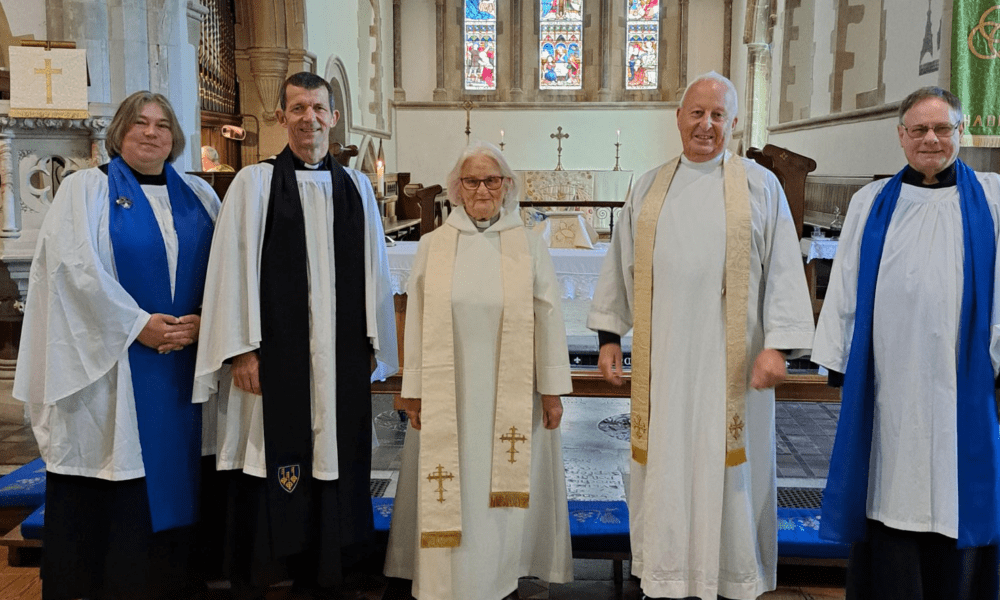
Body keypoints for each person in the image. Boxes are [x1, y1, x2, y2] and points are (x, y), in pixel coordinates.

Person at [587, 71, 814, 600]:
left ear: (733, 124)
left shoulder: (761, 186)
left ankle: (731, 577)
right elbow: (620, 266)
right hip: (662, 360)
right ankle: (665, 576)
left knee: (730, 470)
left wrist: (778, 346)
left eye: (718, 115)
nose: (706, 125)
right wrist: (608, 337)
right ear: (679, 118)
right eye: (697, 113)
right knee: (665, 467)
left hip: (735, 366)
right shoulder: (648, 185)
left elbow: (783, 267)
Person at [193, 71, 398, 599]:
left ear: (333, 117)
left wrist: (375, 345)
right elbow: (232, 270)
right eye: (298, 108)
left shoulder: (355, 187)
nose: (309, 118)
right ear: (282, 116)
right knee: (272, 451)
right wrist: (241, 350)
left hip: (339, 358)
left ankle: (336, 562)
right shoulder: (254, 184)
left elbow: (377, 271)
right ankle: (273, 564)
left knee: (335, 448)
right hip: (274, 357)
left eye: (318, 109)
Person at [13, 90, 220, 600]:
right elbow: (72, 270)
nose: (152, 132)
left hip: (187, 363)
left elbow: (226, 272)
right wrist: (136, 325)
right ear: (119, 132)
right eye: (140, 123)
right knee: (118, 460)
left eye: (163, 124)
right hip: (114, 372)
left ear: (175, 136)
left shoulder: (200, 196)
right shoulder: (87, 190)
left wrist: (204, 321)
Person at [812, 86, 1000, 599]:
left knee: (959, 493)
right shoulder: (870, 203)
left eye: (942, 129)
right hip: (889, 384)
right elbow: (845, 283)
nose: (931, 139)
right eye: (919, 129)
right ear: (901, 136)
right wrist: (838, 358)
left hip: (964, 381)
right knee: (888, 490)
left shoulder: (993, 198)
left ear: (960, 133)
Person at [383, 141, 574, 600]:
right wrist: (413, 390)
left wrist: (551, 390)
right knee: (451, 481)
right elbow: (418, 316)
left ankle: (503, 575)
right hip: (451, 394)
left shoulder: (527, 245)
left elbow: (547, 316)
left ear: (507, 187)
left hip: (513, 395)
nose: (483, 189)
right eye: (472, 180)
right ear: (456, 189)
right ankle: (445, 579)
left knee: (502, 488)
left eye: (492, 180)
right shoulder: (434, 246)